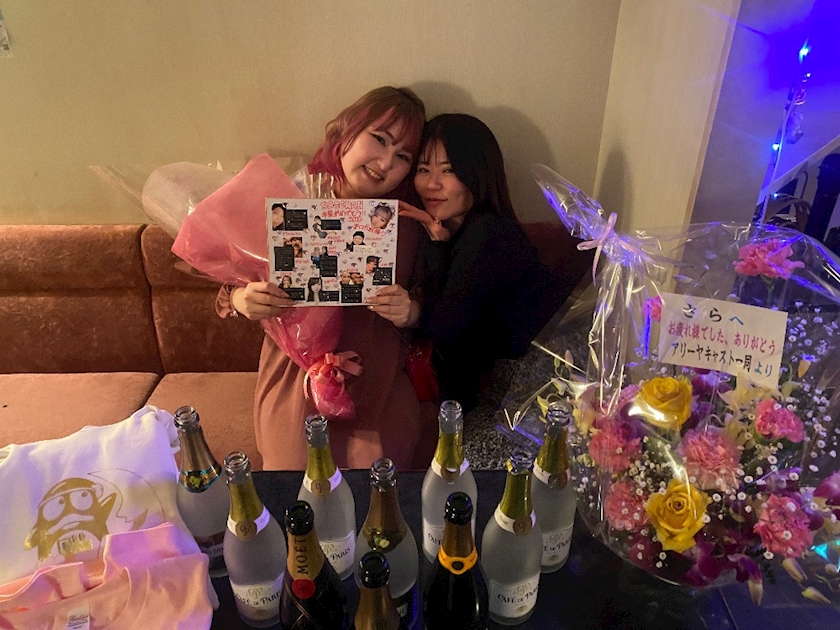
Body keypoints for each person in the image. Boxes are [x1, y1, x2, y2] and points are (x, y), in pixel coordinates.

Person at [216, 86, 427, 470]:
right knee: (296, 483)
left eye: (402, 156)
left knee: (377, 488)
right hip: (296, 379)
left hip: (377, 381)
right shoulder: (290, 198)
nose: (385, 162)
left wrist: (411, 310)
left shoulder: (407, 222)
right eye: (379, 139)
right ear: (348, 132)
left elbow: (436, 299)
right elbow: (229, 280)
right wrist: (241, 299)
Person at [399, 114, 573, 413]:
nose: (431, 184)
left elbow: (445, 327)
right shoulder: (459, 229)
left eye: (449, 170)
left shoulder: (488, 234)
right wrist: (438, 241)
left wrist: (414, 313)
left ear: (477, 173)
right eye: (423, 169)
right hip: (499, 385)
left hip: (526, 392)